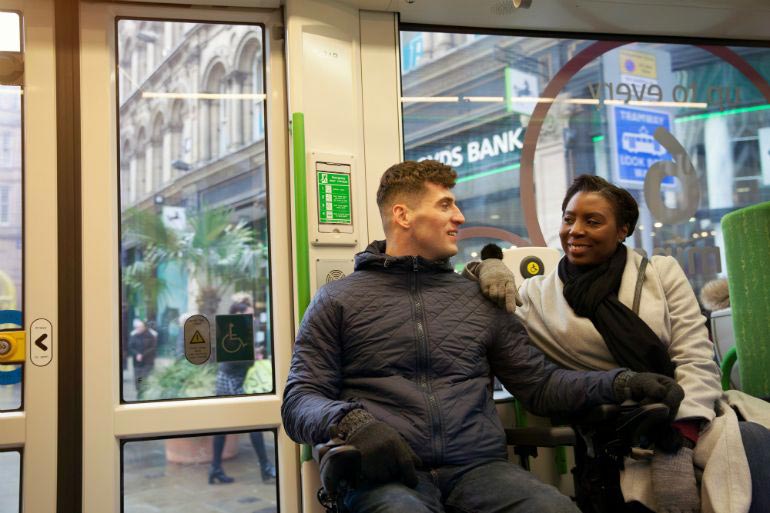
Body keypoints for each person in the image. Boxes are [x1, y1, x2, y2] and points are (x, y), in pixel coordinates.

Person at [281, 160, 684, 513]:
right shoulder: (338, 300)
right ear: (403, 215)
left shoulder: (478, 299)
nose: (458, 216)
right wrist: (352, 422)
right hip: (389, 477)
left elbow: (541, 385)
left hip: (478, 469)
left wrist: (622, 382)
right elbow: (299, 400)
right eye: (445, 205)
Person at [469, 174, 770, 513]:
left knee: (753, 445)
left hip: (689, 413)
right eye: (569, 219)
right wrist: (487, 266)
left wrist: (681, 440)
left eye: (592, 221)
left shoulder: (660, 274)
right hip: (619, 431)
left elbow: (695, 358)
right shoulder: (536, 296)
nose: (575, 230)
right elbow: (475, 299)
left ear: (622, 229)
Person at [208, 296, 277, 485]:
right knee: (252, 421)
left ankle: (215, 468)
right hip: (231, 380)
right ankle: (265, 468)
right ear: (238, 315)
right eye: (249, 315)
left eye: (253, 316)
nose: (253, 319)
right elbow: (232, 360)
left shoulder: (240, 330)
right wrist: (253, 356)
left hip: (233, 379)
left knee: (224, 426)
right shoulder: (232, 330)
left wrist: (253, 353)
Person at [128, 318, 157, 399]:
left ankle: (143, 393)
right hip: (137, 363)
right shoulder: (134, 335)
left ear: (144, 327)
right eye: (136, 327)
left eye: (139, 327)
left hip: (147, 362)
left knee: (144, 377)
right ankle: (139, 391)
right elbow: (130, 347)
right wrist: (137, 354)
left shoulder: (150, 336)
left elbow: (152, 348)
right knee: (138, 378)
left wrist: (142, 355)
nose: (137, 329)